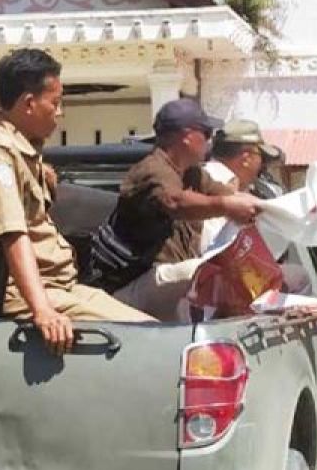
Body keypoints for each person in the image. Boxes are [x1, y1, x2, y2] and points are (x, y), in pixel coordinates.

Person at [0, 48, 152, 354]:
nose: (60, 112)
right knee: (147, 340)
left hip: (62, 287)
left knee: (158, 330)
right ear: (28, 103)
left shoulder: (21, 147)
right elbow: (11, 233)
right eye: (55, 102)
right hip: (25, 294)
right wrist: (42, 310)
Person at [108, 100, 262, 320]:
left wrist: (265, 207)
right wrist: (227, 207)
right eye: (206, 134)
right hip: (134, 285)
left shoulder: (191, 173)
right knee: (209, 271)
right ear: (188, 136)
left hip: (167, 281)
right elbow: (177, 203)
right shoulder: (152, 170)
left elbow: (224, 194)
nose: (209, 143)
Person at [199, 119, 283, 252]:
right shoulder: (213, 183)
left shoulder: (201, 176)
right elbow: (211, 248)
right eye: (261, 157)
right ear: (246, 158)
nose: (261, 166)